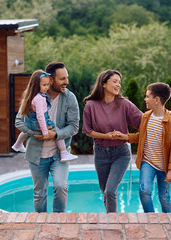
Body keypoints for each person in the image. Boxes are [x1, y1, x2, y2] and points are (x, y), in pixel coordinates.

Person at [15, 62, 79, 212]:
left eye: (67, 78)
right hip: (37, 155)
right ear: (50, 79)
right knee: (39, 193)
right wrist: (34, 132)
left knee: (61, 186)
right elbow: (19, 121)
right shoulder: (34, 96)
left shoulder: (70, 98)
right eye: (62, 79)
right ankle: (41, 224)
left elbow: (74, 127)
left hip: (59, 154)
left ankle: (58, 221)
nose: (67, 82)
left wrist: (55, 134)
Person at [113, 82, 171, 213]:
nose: (145, 99)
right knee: (144, 191)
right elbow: (141, 136)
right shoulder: (146, 117)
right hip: (147, 162)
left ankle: (168, 219)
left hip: (164, 166)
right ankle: (151, 218)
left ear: (157, 100)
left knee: (164, 198)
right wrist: (124, 136)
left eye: (147, 96)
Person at [82, 69, 143, 213]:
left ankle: (113, 223)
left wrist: (162, 114)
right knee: (105, 192)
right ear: (104, 83)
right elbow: (88, 131)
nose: (118, 85)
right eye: (115, 81)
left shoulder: (124, 104)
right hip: (100, 153)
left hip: (120, 153)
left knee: (110, 191)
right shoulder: (91, 105)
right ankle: (110, 221)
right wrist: (106, 136)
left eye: (119, 82)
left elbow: (143, 122)